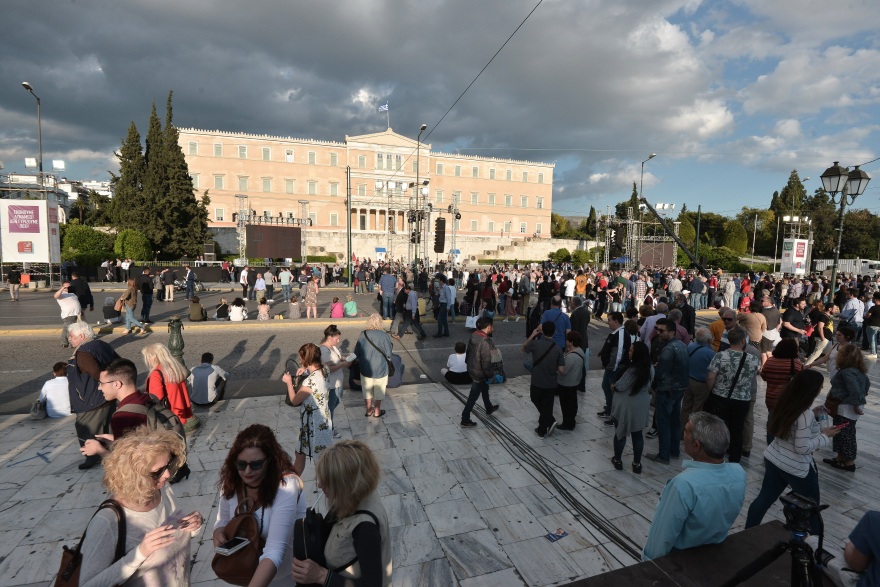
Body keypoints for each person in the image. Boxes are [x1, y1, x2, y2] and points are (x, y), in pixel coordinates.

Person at [78, 426, 201, 586]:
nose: (167, 475)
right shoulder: (107, 521)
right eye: (158, 472)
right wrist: (140, 553)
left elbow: (170, 539)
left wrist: (191, 527)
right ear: (134, 475)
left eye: (168, 465)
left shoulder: (162, 489)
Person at [745, 370, 842, 534]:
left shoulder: (786, 402)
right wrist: (825, 436)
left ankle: (747, 532)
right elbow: (802, 447)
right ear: (812, 390)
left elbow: (797, 430)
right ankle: (815, 548)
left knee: (764, 499)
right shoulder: (804, 414)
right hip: (797, 467)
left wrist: (814, 415)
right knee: (811, 509)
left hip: (775, 458)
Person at [642, 412, 746, 560]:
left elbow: (661, 537)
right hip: (714, 552)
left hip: (682, 559)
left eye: (685, 431)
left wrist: (648, 564)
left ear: (696, 445)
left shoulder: (684, 485)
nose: (683, 434)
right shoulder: (739, 473)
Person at [213, 424, 306, 586]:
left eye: (255, 464)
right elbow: (223, 520)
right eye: (241, 464)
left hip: (283, 577)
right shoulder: (232, 482)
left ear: (269, 461)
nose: (247, 472)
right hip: (248, 573)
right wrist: (218, 532)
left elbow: (275, 550)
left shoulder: (286, 486)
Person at [291, 440, 392, 586]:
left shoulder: (364, 528)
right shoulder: (356, 494)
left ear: (345, 485)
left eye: (327, 482)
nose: (319, 485)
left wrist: (321, 575)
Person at [66, 321, 120, 469]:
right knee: (105, 427)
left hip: (90, 400)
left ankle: (92, 458)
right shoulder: (101, 344)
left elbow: (97, 373)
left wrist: (103, 384)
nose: (69, 339)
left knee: (86, 428)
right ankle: (109, 453)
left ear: (81, 336)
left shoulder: (83, 353)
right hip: (106, 397)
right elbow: (119, 362)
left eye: (71, 336)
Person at [704, 325, 760, 463]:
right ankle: (735, 458)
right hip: (742, 399)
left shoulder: (720, 356)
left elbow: (711, 377)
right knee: (737, 429)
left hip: (720, 397)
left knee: (719, 427)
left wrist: (711, 390)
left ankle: (716, 455)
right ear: (743, 340)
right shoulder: (752, 359)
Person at [282, 343, 333, 475]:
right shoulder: (325, 369)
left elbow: (294, 400)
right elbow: (314, 370)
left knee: (319, 460)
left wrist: (289, 382)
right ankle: (293, 480)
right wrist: (304, 369)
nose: (300, 360)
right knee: (300, 453)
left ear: (306, 358)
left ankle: (325, 486)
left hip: (314, 424)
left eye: (301, 358)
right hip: (322, 419)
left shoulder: (309, 382)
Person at [648, 318, 690, 464]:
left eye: (661, 330)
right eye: (656, 329)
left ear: (672, 332)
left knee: (663, 422)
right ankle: (674, 450)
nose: (658, 332)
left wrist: (654, 372)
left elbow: (661, 374)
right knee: (674, 420)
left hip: (667, 389)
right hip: (679, 388)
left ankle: (663, 455)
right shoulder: (681, 345)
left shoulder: (668, 349)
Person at [823, 343, 870, 472]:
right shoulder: (860, 372)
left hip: (846, 407)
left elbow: (854, 390)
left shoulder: (847, 372)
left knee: (846, 434)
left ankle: (849, 462)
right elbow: (865, 386)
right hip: (848, 406)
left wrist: (856, 405)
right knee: (841, 431)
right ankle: (840, 458)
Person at [610, 341, 652, 473]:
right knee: (638, 434)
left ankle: (617, 460)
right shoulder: (650, 368)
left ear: (637, 354)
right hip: (641, 404)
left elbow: (620, 386)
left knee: (620, 433)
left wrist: (613, 386)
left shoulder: (632, 370)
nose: (629, 352)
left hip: (626, 405)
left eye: (631, 351)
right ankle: (637, 464)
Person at [523, 321, 566, 437]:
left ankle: (547, 424)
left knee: (535, 399)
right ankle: (545, 425)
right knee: (548, 404)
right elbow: (562, 370)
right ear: (554, 332)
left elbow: (524, 348)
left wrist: (532, 334)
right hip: (551, 382)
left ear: (542, 331)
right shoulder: (557, 349)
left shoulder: (536, 344)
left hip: (537, 380)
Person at [460, 317, 501, 428]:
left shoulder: (474, 335)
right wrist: (491, 375)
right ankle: (465, 418)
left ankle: (489, 408)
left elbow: (468, 352)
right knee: (473, 396)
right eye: (492, 326)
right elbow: (486, 362)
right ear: (488, 327)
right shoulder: (485, 342)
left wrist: (468, 364)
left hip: (472, 368)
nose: (492, 328)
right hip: (479, 372)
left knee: (485, 389)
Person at [760, 338, 803, 442]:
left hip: (771, 398)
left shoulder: (770, 361)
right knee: (786, 425)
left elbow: (764, 376)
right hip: (788, 400)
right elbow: (801, 381)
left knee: (772, 423)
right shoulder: (796, 363)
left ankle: (770, 447)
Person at [354, 314, 394, 418]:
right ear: (380, 322)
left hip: (365, 368)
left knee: (367, 390)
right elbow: (389, 354)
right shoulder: (384, 335)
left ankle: (368, 410)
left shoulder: (363, 334)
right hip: (381, 368)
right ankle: (377, 411)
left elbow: (357, 352)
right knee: (379, 390)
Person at [142, 343, 193, 425]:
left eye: (148, 357)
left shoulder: (156, 374)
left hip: (168, 415)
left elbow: (156, 397)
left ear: (154, 358)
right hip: (179, 411)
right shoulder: (175, 368)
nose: (147, 361)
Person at [597, 312, 632, 422]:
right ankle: (609, 409)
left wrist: (612, 367)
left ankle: (614, 415)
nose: (608, 322)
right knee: (606, 386)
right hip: (611, 368)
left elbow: (618, 353)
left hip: (615, 369)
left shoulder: (620, 334)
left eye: (610, 320)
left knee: (613, 390)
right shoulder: (615, 333)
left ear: (616, 321)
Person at [680, 327, 715, 430]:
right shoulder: (710, 353)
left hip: (688, 380)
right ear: (709, 340)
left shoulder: (690, 346)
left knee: (686, 406)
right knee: (698, 408)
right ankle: (693, 431)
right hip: (701, 384)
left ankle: (683, 430)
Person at [320, 325, 352, 431]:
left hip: (338, 382)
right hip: (331, 384)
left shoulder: (332, 347)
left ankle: (327, 424)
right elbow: (328, 368)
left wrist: (345, 358)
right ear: (329, 337)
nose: (338, 341)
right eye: (336, 338)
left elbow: (338, 357)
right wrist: (343, 365)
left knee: (336, 402)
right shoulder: (324, 351)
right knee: (330, 409)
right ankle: (330, 428)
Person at [557, 331, 585, 431]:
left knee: (565, 405)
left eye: (567, 340)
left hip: (566, 383)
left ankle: (567, 423)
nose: (566, 342)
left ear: (571, 342)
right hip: (575, 382)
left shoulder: (571, 357)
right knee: (573, 403)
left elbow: (563, 371)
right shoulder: (580, 351)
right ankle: (571, 421)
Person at [54, 280, 82, 347]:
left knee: (66, 329)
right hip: (69, 315)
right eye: (65, 287)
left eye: (69, 286)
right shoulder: (61, 294)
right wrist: (62, 288)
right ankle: (71, 342)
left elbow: (76, 302)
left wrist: (80, 310)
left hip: (75, 314)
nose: (67, 288)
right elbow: (55, 296)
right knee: (71, 329)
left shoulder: (72, 293)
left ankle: (64, 342)